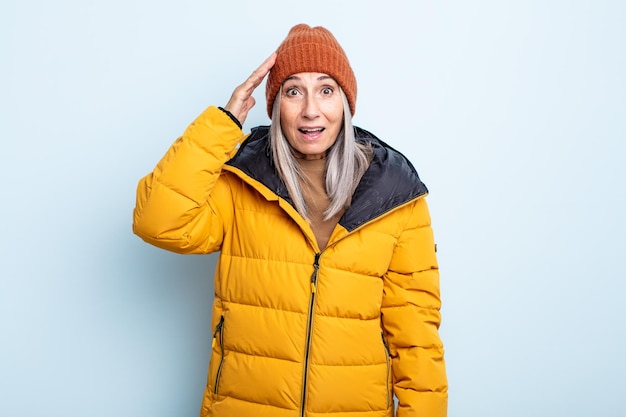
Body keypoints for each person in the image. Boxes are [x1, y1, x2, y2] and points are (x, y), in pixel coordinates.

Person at [133, 24, 447, 417]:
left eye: (326, 90)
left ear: (346, 103)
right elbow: (157, 221)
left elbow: (417, 337)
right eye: (294, 91)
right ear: (276, 102)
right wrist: (224, 122)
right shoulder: (240, 183)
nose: (311, 110)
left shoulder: (396, 195)